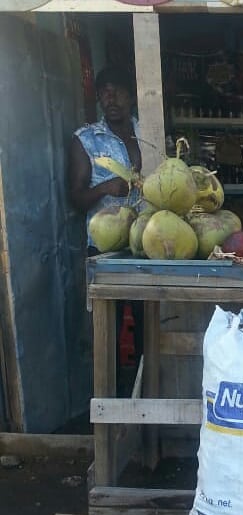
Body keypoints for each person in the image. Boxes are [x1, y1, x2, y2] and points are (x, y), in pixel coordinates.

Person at [70, 65, 144, 388]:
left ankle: (142, 396)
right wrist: (105, 188)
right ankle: (108, 403)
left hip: (145, 247)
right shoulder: (86, 139)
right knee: (107, 332)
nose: (110, 99)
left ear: (132, 95)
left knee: (145, 328)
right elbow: (75, 197)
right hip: (104, 252)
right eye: (104, 92)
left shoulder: (148, 132)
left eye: (117, 91)